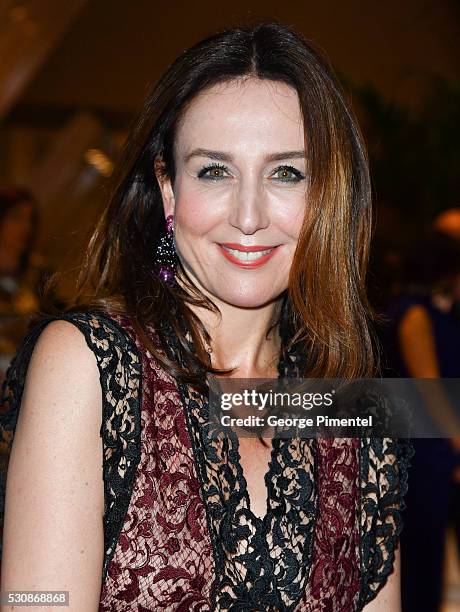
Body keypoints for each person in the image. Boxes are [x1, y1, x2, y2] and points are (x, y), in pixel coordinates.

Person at [0, 22, 411, 611]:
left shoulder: (356, 402)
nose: (249, 215)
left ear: (329, 196)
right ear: (168, 190)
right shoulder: (89, 365)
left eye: (286, 172)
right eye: (214, 170)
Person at [381, 230, 460, 611]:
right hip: (425, 450)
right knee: (421, 556)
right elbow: (430, 390)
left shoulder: (422, 310)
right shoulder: (414, 314)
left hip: (430, 445)